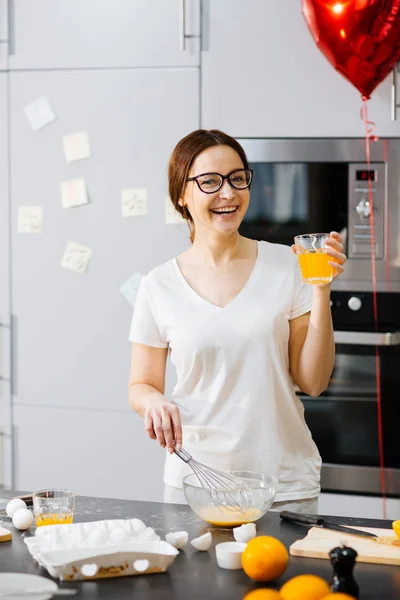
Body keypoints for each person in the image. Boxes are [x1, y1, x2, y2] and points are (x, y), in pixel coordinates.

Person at [128, 129, 346, 513]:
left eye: (237, 178)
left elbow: (313, 381)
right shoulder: (158, 285)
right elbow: (141, 385)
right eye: (210, 181)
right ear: (182, 193)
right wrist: (154, 403)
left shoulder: (287, 266)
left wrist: (321, 290)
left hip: (284, 484)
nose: (227, 193)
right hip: (196, 484)